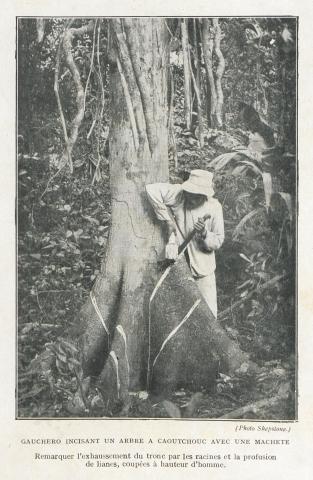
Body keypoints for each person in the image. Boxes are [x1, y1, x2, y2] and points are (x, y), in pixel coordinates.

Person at [146, 169, 224, 318]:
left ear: (204, 195)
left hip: (203, 268)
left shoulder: (214, 207)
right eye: (190, 193)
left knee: (208, 314)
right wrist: (167, 220)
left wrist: (204, 234)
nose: (191, 198)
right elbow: (151, 190)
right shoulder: (179, 195)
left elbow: (218, 240)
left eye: (196, 196)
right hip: (179, 265)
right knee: (179, 312)